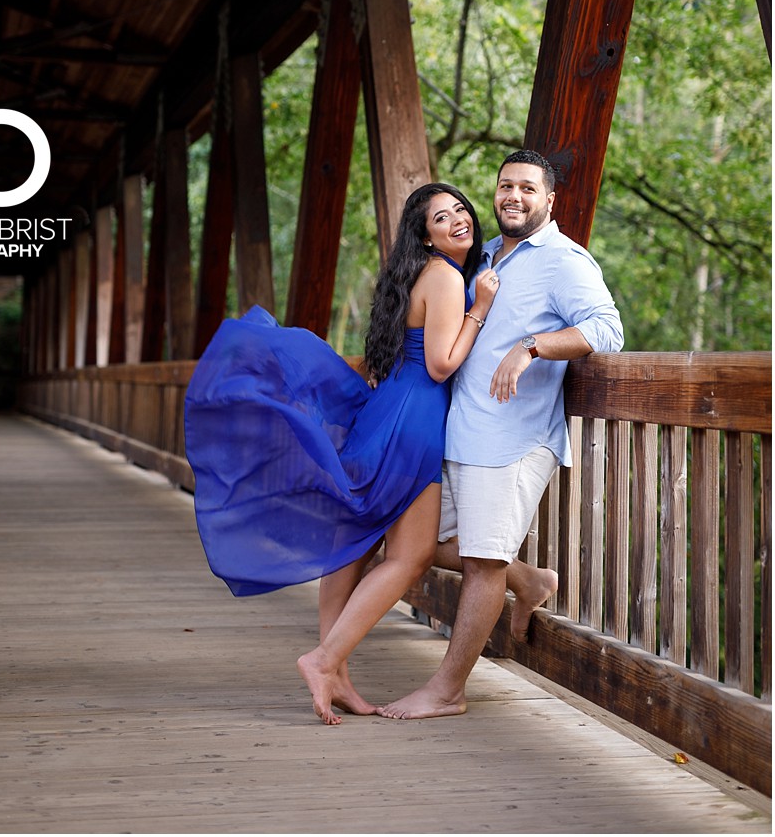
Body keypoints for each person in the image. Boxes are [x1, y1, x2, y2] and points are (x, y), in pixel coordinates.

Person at [186, 182, 500, 724]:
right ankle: (325, 659)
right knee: (410, 556)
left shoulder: (416, 275)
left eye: (461, 212)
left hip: (389, 411)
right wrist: (482, 310)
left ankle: (337, 673)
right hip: (416, 419)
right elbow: (442, 364)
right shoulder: (448, 277)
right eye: (442, 218)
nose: (458, 222)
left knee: (354, 540)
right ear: (425, 236)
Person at [380, 149, 622, 720]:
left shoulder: (564, 259)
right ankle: (532, 580)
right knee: (419, 544)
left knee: (483, 561)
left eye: (527, 189)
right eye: (505, 186)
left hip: (513, 439)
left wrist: (532, 345)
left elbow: (606, 330)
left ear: (549, 200)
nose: (513, 196)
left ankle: (447, 690)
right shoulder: (486, 254)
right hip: (460, 433)